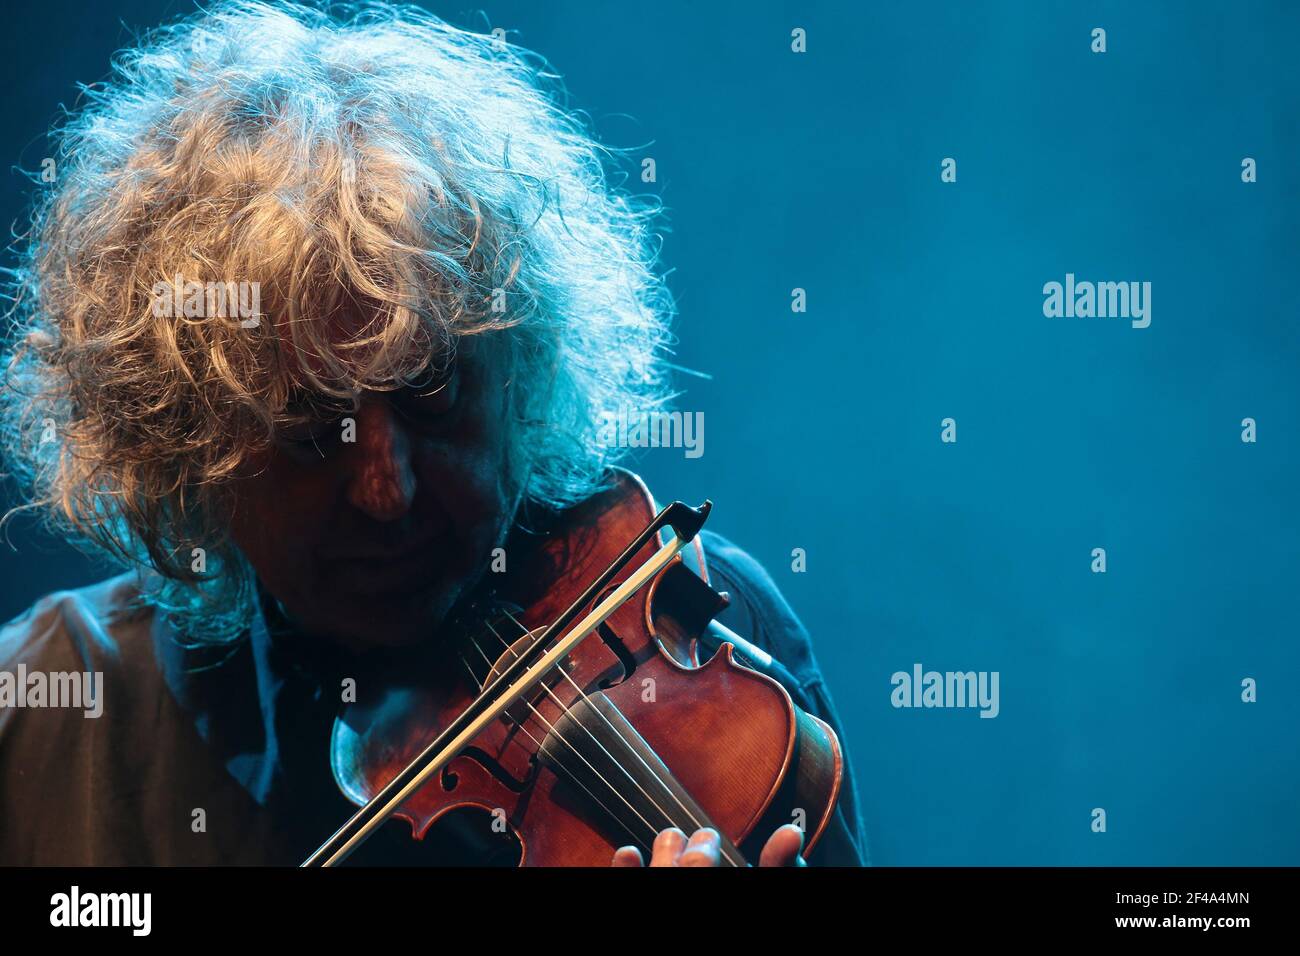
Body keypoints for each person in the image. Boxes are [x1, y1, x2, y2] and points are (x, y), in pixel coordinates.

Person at [0, 0, 866, 867]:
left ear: (521, 368)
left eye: (433, 395)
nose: (389, 489)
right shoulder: (45, 710)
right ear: (188, 449)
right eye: (311, 429)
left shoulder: (702, 621)